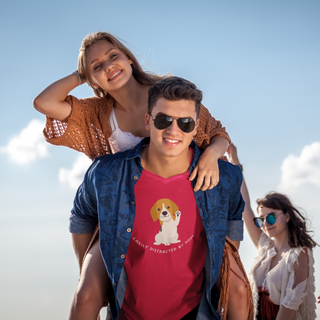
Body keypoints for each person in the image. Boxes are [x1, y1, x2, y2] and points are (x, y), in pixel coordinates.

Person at [33, 32, 233, 318]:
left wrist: (213, 154)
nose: (108, 66)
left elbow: (218, 133)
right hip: (121, 216)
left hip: (183, 210)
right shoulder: (96, 113)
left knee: (233, 292)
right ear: (91, 78)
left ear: (128, 57)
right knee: (87, 293)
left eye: (113, 56)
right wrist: (81, 74)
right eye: (97, 66)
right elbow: (44, 102)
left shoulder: (167, 93)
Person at [70, 76, 253, 320]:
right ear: (148, 121)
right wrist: (94, 271)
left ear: (196, 127)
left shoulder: (225, 178)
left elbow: (233, 219)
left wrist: (217, 266)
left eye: (185, 123)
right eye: (163, 119)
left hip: (194, 313)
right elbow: (82, 217)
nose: (173, 130)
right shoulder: (106, 173)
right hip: (128, 312)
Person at [227, 143, 317, 320]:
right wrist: (235, 162)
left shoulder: (300, 255)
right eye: (262, 219)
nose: (266, 224)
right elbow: (244, 205)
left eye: (271, 217)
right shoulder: (265, 246)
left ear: (287, 216)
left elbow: (288, 310)